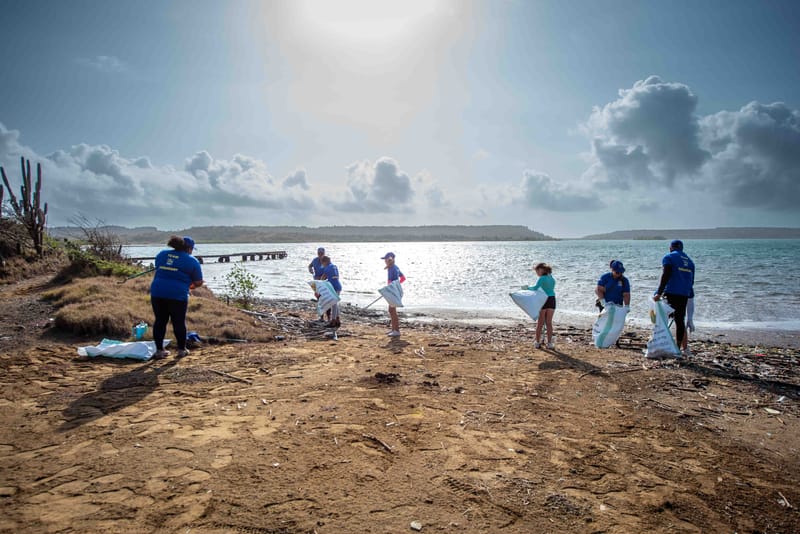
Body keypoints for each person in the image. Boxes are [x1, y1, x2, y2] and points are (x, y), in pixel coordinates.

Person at [149, 236, 204, 359]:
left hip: (157, 292)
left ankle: (159, 351)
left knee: (160, 321)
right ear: (189, 248)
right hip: (177, 295)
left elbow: (160, 269)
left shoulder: (162, 254)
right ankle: (181, 350)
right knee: (178, 321)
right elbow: (198, 281)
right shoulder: (192, 260)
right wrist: (191, 286)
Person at [653, 240, 695, 357]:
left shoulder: (669, 257)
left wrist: (659, 293)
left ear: (670, 248)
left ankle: (660, 343)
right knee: (679, 320)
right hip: (684, 294)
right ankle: (677, 348)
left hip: (671, 292)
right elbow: (691, 281)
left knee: (662, 318)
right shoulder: (690, 261)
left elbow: (666, 275)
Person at [525, 262, 556, 349]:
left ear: (541, 270)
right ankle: (549, 343)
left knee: (540, 322)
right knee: (549, 323)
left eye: (537, 271)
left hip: (543, 300)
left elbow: (535, 288)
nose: (537, 273)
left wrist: (527, 288)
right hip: (552, 299)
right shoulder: (552, 278)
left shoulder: (542, 278)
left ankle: (537, 342)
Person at [382, 252, 405, 337]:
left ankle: (396, 330)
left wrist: (392, 288)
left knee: (392, 310)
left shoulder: (393, 268)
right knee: (391, 310)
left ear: (389, 260)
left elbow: (394, 281)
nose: (385, 261)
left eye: (386, 259)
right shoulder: (394, 267)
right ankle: (393, 329)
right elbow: (403, 278)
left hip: (393, 291)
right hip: (393, 290)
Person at [319, 255, 341, 328]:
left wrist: (319, 285)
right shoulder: (334, 266)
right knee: (336, 304)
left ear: (325, 262)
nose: (322, 265)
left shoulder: (327, 268)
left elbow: (323, 278)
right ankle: (337, 319)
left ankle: (333, 321)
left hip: (333, 287)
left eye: (322, 263)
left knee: (333, 304)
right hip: (338, 286)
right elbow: (334, 277)